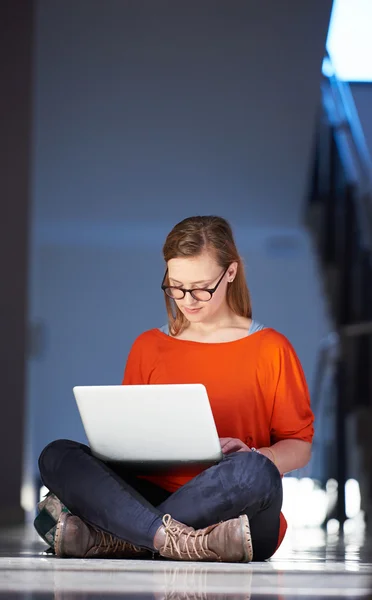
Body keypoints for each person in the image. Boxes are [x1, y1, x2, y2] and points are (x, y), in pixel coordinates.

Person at [35, 215, 314, 562]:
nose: (188, 300)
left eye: (200, 287)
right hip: (150, 496)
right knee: (57, 456)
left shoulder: (272, 348)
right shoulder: (148, 346)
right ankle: (174, 539)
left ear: (231, 272)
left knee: (256, 473)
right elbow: (124, 438)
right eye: (176, 286)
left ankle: (122, 537)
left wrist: (257, 455)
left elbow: (300, 447)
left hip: (234, 509)